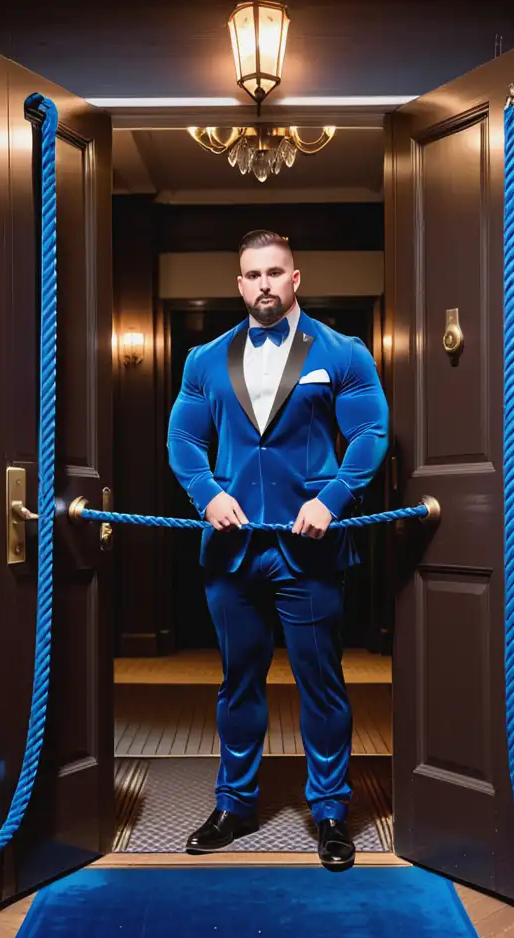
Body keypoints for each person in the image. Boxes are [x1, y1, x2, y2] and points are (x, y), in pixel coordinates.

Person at [166, 229, 389, 870]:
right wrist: (205, 493)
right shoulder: (204, 359)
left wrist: (335, 498)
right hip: (232, 551)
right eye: (251, 274)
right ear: (239, 284)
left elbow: (371, 432)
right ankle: (234, 803)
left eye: (274, 272)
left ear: (296, 278)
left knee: (322, 685)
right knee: (239, 684)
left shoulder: (343, 353)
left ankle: (330, 811)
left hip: (310, 548)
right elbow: (183, 438)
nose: (263, 283)